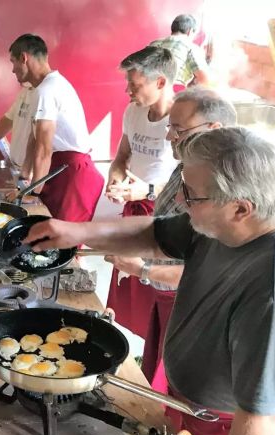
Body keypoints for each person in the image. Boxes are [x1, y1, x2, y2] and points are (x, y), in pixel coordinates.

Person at [24, 127, 275, 435]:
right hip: (191, 409)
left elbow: (259, 420)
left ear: (241, 209)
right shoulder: (223, 219)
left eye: (191, 194)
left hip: (230, 429)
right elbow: (157, 234)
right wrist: (75, 232)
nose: (181, 200)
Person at [107, 87, 237, 394]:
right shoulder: (189, 165)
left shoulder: (225, 191)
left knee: (176, 390)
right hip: (169, 297)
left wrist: (143, 270)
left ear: (213, 129)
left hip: (192, 307)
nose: (168, 137)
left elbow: (208, 273)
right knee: (158, 379)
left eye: (176, 129)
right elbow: (169, 213)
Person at [0, 34, 104, 222]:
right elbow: (34, 140)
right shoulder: (39, 89)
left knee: (64, 243)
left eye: (13, 62)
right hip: (59, 170)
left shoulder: (47, 90)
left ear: (24, 58)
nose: (12, 70)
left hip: (73, 175)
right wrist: (24, 181)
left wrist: (32, 193)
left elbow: (44, 148)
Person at [104, 47, 179, 344]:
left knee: (155, 292)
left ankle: (152, 353)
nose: (127, 91)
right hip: (133, 209)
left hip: (162, 217)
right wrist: (115, 179)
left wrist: (145, 190)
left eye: (134, 85)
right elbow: (122, 155)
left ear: (160, 82)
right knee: (126, 286)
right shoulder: (133, 112)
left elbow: (187, 183)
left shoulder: (181, 120)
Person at [150, 14, 212, 88]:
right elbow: (205, 79)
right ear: (190, 31)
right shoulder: (190, 47)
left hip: (148, 91)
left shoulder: (154, 44)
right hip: (172, 92)